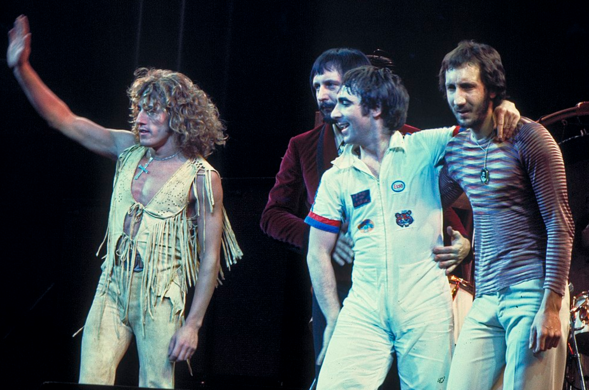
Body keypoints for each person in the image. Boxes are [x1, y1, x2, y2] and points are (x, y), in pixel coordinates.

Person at [7, 15, 242, 389]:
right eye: (140, 110)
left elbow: (211, 259)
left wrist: (193, 325)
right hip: (112, 287)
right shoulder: (127, 150)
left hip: (161, 298)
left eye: (154, 111)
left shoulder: (202, 177)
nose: (142, 119)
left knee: (155, 384)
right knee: (93, 380)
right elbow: (63, 119)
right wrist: (21, 68)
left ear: (179, 118)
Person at [305, 65, 479, 390]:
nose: (333, 112)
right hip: (364, 305)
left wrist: (506, 110)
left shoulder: (423, 147)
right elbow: (317, 252)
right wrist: (332, 317)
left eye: (345, 103)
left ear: (375, 108)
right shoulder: (337, 175)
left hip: (425, 304)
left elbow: (482, 134)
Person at [439, 40, 573, 390]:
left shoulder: (528, 137)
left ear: (492, 89)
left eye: (468, 86)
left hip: (533, 292)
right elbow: (427, 198)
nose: (458, 98)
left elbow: (562, 225)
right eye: (451, 88)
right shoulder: (457, 149)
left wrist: (551, 307)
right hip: (486, 296)